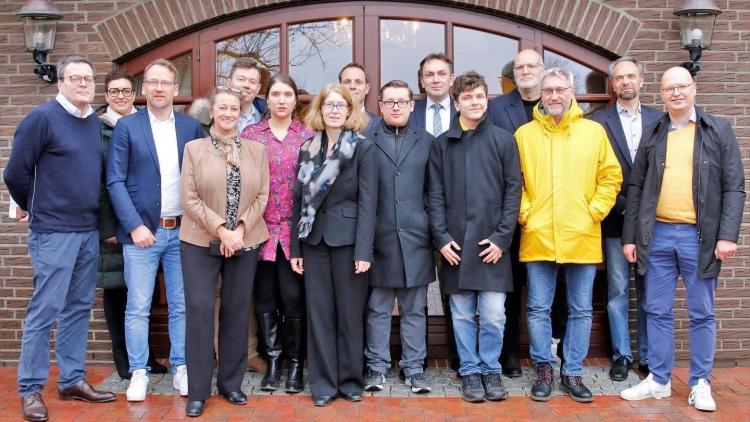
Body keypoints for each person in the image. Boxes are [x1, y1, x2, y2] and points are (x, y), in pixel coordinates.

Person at [619, 66, 745, 412]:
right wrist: (631, 237)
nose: (675, 93)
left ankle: (701, 382)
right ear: (660, 93)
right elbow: (637, 186)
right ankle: (659, 380)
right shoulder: (655, 131)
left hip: (699, 237)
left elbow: (734, 186)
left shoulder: (717, 130)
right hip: (657, 234)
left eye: (681, 87)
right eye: (669, 88)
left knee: (701, 312)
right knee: (656, 310)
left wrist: (727, 235)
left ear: (694, 89)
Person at [5, 55, 116, 422]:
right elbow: (15, 173)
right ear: (60, 83)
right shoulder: (42, 118)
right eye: (75, 78)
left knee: (78, 308)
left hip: (86, 232)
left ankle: (72, 380)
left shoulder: (90, 124)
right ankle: (31, 388)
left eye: (88, 78)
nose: (83, 84)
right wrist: (32, 208)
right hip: (53, 233)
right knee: (45, 310)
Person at [515, 67, 621, 403]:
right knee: (537, 308)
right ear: (541, 94)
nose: (555, 96)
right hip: (539, 234)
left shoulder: (593, 132)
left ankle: (572, 370)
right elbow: (513, 182)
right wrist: (526, 213)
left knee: (581, 308)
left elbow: (611, 177)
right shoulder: (524, 134)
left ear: (571, 91)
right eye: (549, 90)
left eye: (561, 89)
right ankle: (544, 368)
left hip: (581, 233)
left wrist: (593, 212)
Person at [107, 58, 204, 402]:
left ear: (175, 89)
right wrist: (133, 226)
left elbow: (202, 179)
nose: (159, 88)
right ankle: (138, 372)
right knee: (137, 306)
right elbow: (115, 180)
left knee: (181, 304)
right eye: (152, 82)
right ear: (143, 88)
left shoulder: (191, 128)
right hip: (142, 234)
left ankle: (181, 367)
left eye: (166, 83)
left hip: (183, 233)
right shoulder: (127, 128)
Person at [428, 71, 521, 403]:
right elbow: (434, 196)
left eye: (479, 96)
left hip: (492, 245)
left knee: (495, 314)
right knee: (463, 314)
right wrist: (440, 238)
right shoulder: (441, 145)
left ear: (487, 99)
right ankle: (469, 371)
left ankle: (491, 370)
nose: (474, 102)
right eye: (467, 97)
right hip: (454, 245)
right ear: (456, 102)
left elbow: (514, 193)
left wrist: (502, 239)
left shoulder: (503, 140)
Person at [180, 87, 270, 417]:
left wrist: (240, 230)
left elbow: (262, 195)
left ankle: (231, 384)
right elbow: (189, 199)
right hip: (200, 240)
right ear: (212, 112)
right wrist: (221, 230)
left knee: (235, 309)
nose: (229, 113)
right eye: (223, 108)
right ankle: (199, 390)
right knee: (201, 309)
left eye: (234, 108)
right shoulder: (194, 148)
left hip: (245, 241)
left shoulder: (256, 150)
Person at [290, 84, 376, 407]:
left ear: (350, 110)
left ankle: (351, 381)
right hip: (313, 241)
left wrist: (364, 251)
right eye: (329, 105)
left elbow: (369, 203)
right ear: (320, 110)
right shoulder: (307, 149)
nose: (335, 110)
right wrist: (296, 250)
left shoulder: (363, 149)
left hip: (349, 241)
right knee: (320, 315)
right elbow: (298, 202)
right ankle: (323, 383)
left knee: (350, 314)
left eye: (341, 105)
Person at [487, 48, 569, 378]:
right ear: (512, 74)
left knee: (554, 287)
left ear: (543, 69)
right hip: (509, 213)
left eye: (531, 65)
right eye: (519, 67)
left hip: (550, 215)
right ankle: (509, 353)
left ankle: (556, 350)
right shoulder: (496, 108)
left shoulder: (555, 105)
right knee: (509, 289)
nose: (525, 71)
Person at [589, 57, 662, 381]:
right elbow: (594, 173)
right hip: (615, 220)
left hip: (654, 223)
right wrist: (621, 206)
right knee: (617, 290)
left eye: (631, 76)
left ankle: (647, 356)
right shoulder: (599, 123)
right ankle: (621, 355)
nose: (626, 82)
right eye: (619, 78)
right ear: (612, 84)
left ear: (642, 81)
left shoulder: (661, 121)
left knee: (649, 292)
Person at [241, 74, 314, 393]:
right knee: (266, 298)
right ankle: (273, 362)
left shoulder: (308, 135)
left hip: (297, 232)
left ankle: (296, 365)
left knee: (294, 298)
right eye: (276, 94)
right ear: (266, 99)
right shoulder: (251, 134)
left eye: (287, 94)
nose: (282, 100)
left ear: (295, 99)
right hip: (259, 230)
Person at [362, 80, 434, 394]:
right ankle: (376, 368)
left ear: (411, 105)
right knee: (377, 308)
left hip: (417, 238)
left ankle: (414, 369)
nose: (395, 107)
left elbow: (435, 191)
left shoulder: (428, 141)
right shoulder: (364, 140)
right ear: (379, 105)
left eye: (401, 101)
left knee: (414, 309)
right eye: (389, 101)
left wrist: (429, 225)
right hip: (377, 238)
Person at [98, 70, 168, 380]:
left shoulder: (144, 125)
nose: (121, 96)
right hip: (116, 226)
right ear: (106, 96)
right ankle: (123, 358)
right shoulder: (96, 129)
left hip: (147, 225)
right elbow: (101, 184)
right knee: (118, 292)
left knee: (146, 294)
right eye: (115, 92)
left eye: (127, 90)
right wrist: (109, 227)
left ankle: (147, 355)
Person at [410, 53, 457, 136]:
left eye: (442, 74)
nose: (436, 80)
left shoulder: (462, 110)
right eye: (429, 75)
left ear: (451, 79)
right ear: (422, 81)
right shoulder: (410, 112)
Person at [339, 62, 379, 131]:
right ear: (339, 87)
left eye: (358, 82)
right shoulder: (329, 121)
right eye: (347, 82)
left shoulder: (379, 124)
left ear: (367, 89)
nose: (352, 86)